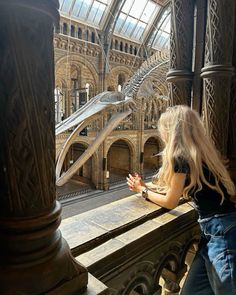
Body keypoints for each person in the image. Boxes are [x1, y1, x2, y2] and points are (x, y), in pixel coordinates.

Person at [126, 105, 236, 295]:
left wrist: (141, 190)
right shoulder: (202, 154)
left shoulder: (180, 157)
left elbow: (170, 201)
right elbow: (177, 188)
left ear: (171, 130)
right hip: (215, 231)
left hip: (221, 234)